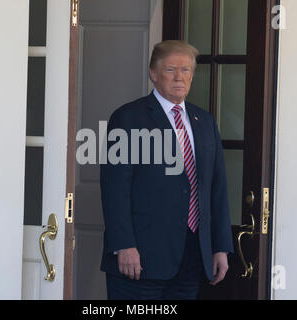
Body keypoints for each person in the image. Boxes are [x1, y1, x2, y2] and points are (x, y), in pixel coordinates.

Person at [100, 40, 233, 300]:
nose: (179, 77)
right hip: (140, 260)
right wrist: (124, 245)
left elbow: (217, 189)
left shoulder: (204, 121)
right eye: (171, 69)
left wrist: (220, 247)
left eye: (186, 70)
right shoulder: (128, 118)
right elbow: (115, 189)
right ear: (153, 73)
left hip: (192, 257)